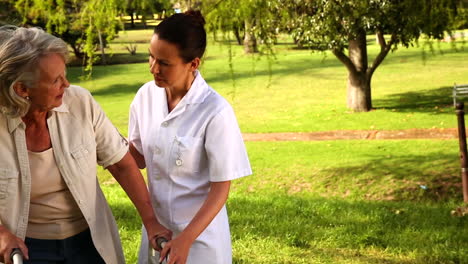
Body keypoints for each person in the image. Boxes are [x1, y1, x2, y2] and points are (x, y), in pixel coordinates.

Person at [0, 25, 172, 264]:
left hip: (88, 240)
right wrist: (2, 235)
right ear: (22, 89)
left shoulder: (80, 103)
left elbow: (121, 164)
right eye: (55, 80)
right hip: (28, 247)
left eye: (65, 74)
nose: (67, 85)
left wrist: (151, 221)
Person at [128, 10, 252, 264]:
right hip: (156, 233)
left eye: (164, 62)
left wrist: (186, 239)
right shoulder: (145, 96)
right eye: (151, 57)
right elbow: (137, 157)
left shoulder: (215, 111)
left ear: (193, 64)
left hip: (199, 242)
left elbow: (220, 190)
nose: (153, 68)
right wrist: (103, 143)